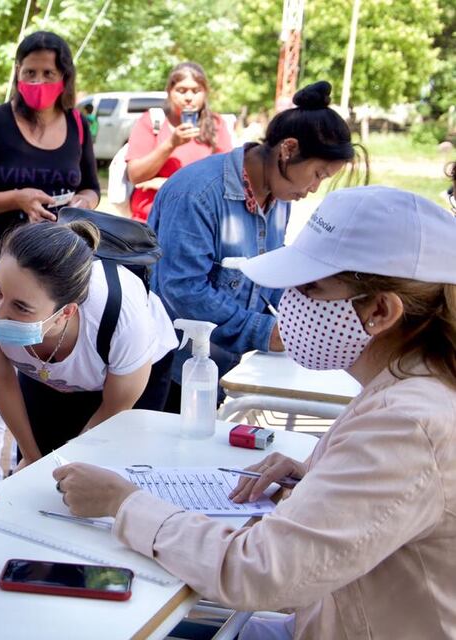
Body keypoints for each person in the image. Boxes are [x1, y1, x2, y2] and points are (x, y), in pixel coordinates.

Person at [55, 186, 456, 640]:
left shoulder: (408, 423)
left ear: (380, 311)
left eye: (310, 288)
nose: (290, 303)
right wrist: (318, 479)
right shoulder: (411, 388)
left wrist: (122, 502)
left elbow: (260, 573)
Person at [147, 81, 363, 412]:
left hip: (228, 365)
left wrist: (303, 316)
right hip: (173, 369)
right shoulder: (197, 194)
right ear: (288, 149)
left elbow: (270, 272)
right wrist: (266, 333)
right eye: (317, 174)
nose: (314, 188)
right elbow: (183, 290)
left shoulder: (280, 195)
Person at [0, 30, 100, 491]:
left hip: (54, 281)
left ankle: (28, 471)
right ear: (17, 74)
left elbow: (92, 186)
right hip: (2, 274)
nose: (37, 81)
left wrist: (83, 204)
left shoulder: (77, 125)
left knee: (41, 375)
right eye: (28, 72)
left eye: (47, 73)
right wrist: (15, 198)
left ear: (64, 76)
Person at [0, 221, 177, 473]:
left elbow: (114, 409)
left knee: (115, 472)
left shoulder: (125, 322)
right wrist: (32, 459)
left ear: (65, 313)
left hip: (128, 373)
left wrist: (66, 468)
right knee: (36, 466)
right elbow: (1, 379)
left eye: (21, 307)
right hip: (47, 374)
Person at [125, 62, 232, 222]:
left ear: (205, 93)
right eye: (181, 91)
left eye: (196, 91)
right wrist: (171, 144)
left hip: (197, 221)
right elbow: (135, 176)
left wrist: (169, 184)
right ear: (169, 91)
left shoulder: (216, 124)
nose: (188, 97)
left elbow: (227, 178)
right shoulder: (153, 121)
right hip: (151, 221)